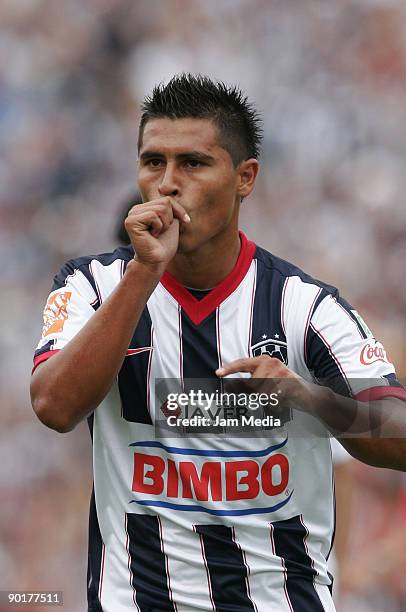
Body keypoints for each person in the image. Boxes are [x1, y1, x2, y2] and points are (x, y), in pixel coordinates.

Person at [30, 74, 406, 612]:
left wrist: (308, 398)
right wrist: (145, 273)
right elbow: (53, 406)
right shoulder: (91, 287)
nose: (167, 183)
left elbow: (399, 431)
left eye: (194, 163)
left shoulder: (304, 307)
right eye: (153, 162)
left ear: (245, 177)